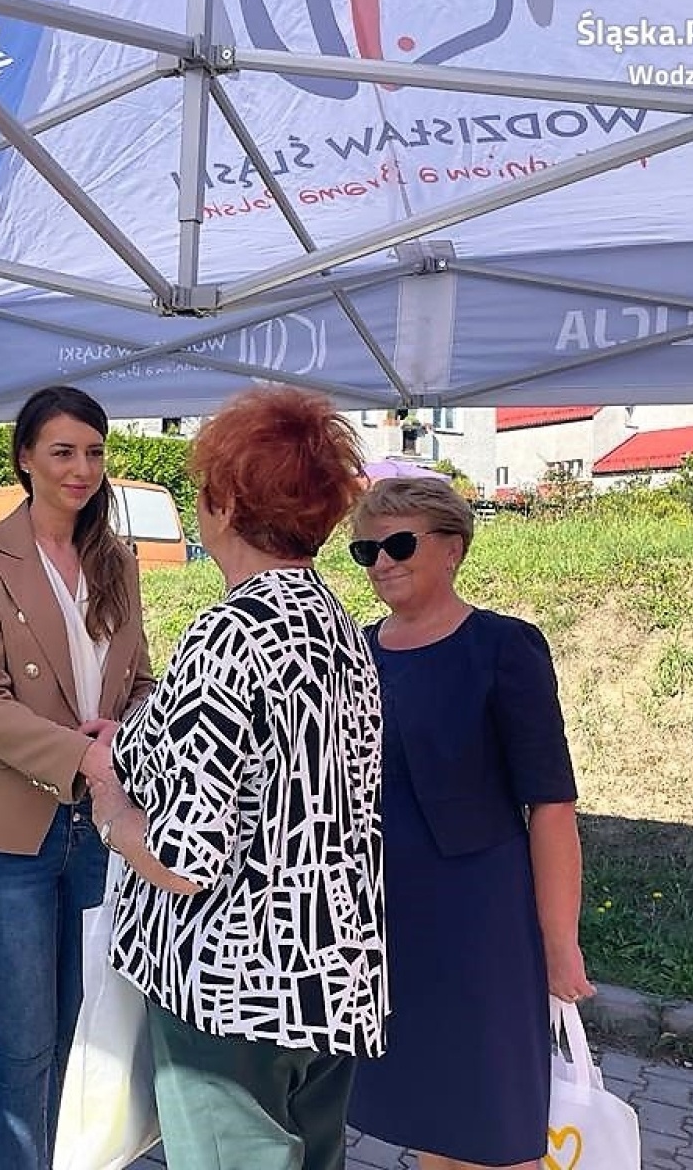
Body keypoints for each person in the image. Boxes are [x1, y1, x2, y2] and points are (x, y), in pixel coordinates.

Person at [80, 385, 387, 1170]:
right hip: (328, 981)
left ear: (223, 502)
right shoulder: (334, 623)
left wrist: (110, 804)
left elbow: (184, 858)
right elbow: (282, 770)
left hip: (234, 992)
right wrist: (140, 736)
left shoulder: (231, 632)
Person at [345, 477, 592, 1170]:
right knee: (433, 1118)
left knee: (497, 1125)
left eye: (399, 543)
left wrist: (558, 941)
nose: (382, 562)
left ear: (454, 549)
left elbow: (550, 805)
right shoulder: (354, 654)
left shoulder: (504, 648)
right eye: (367, 549)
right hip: (385, 923)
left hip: (481, 924)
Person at [0, 385, 155, 1169]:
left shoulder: (117, 560)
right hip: (12, 838)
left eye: (95, 452)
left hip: (99, 831)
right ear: (25, 458)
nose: (82, 469)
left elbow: (136, 684)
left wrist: (129, 733)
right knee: (25, 1047)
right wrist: (87, 756)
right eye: (63, 451)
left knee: (85, 1037)